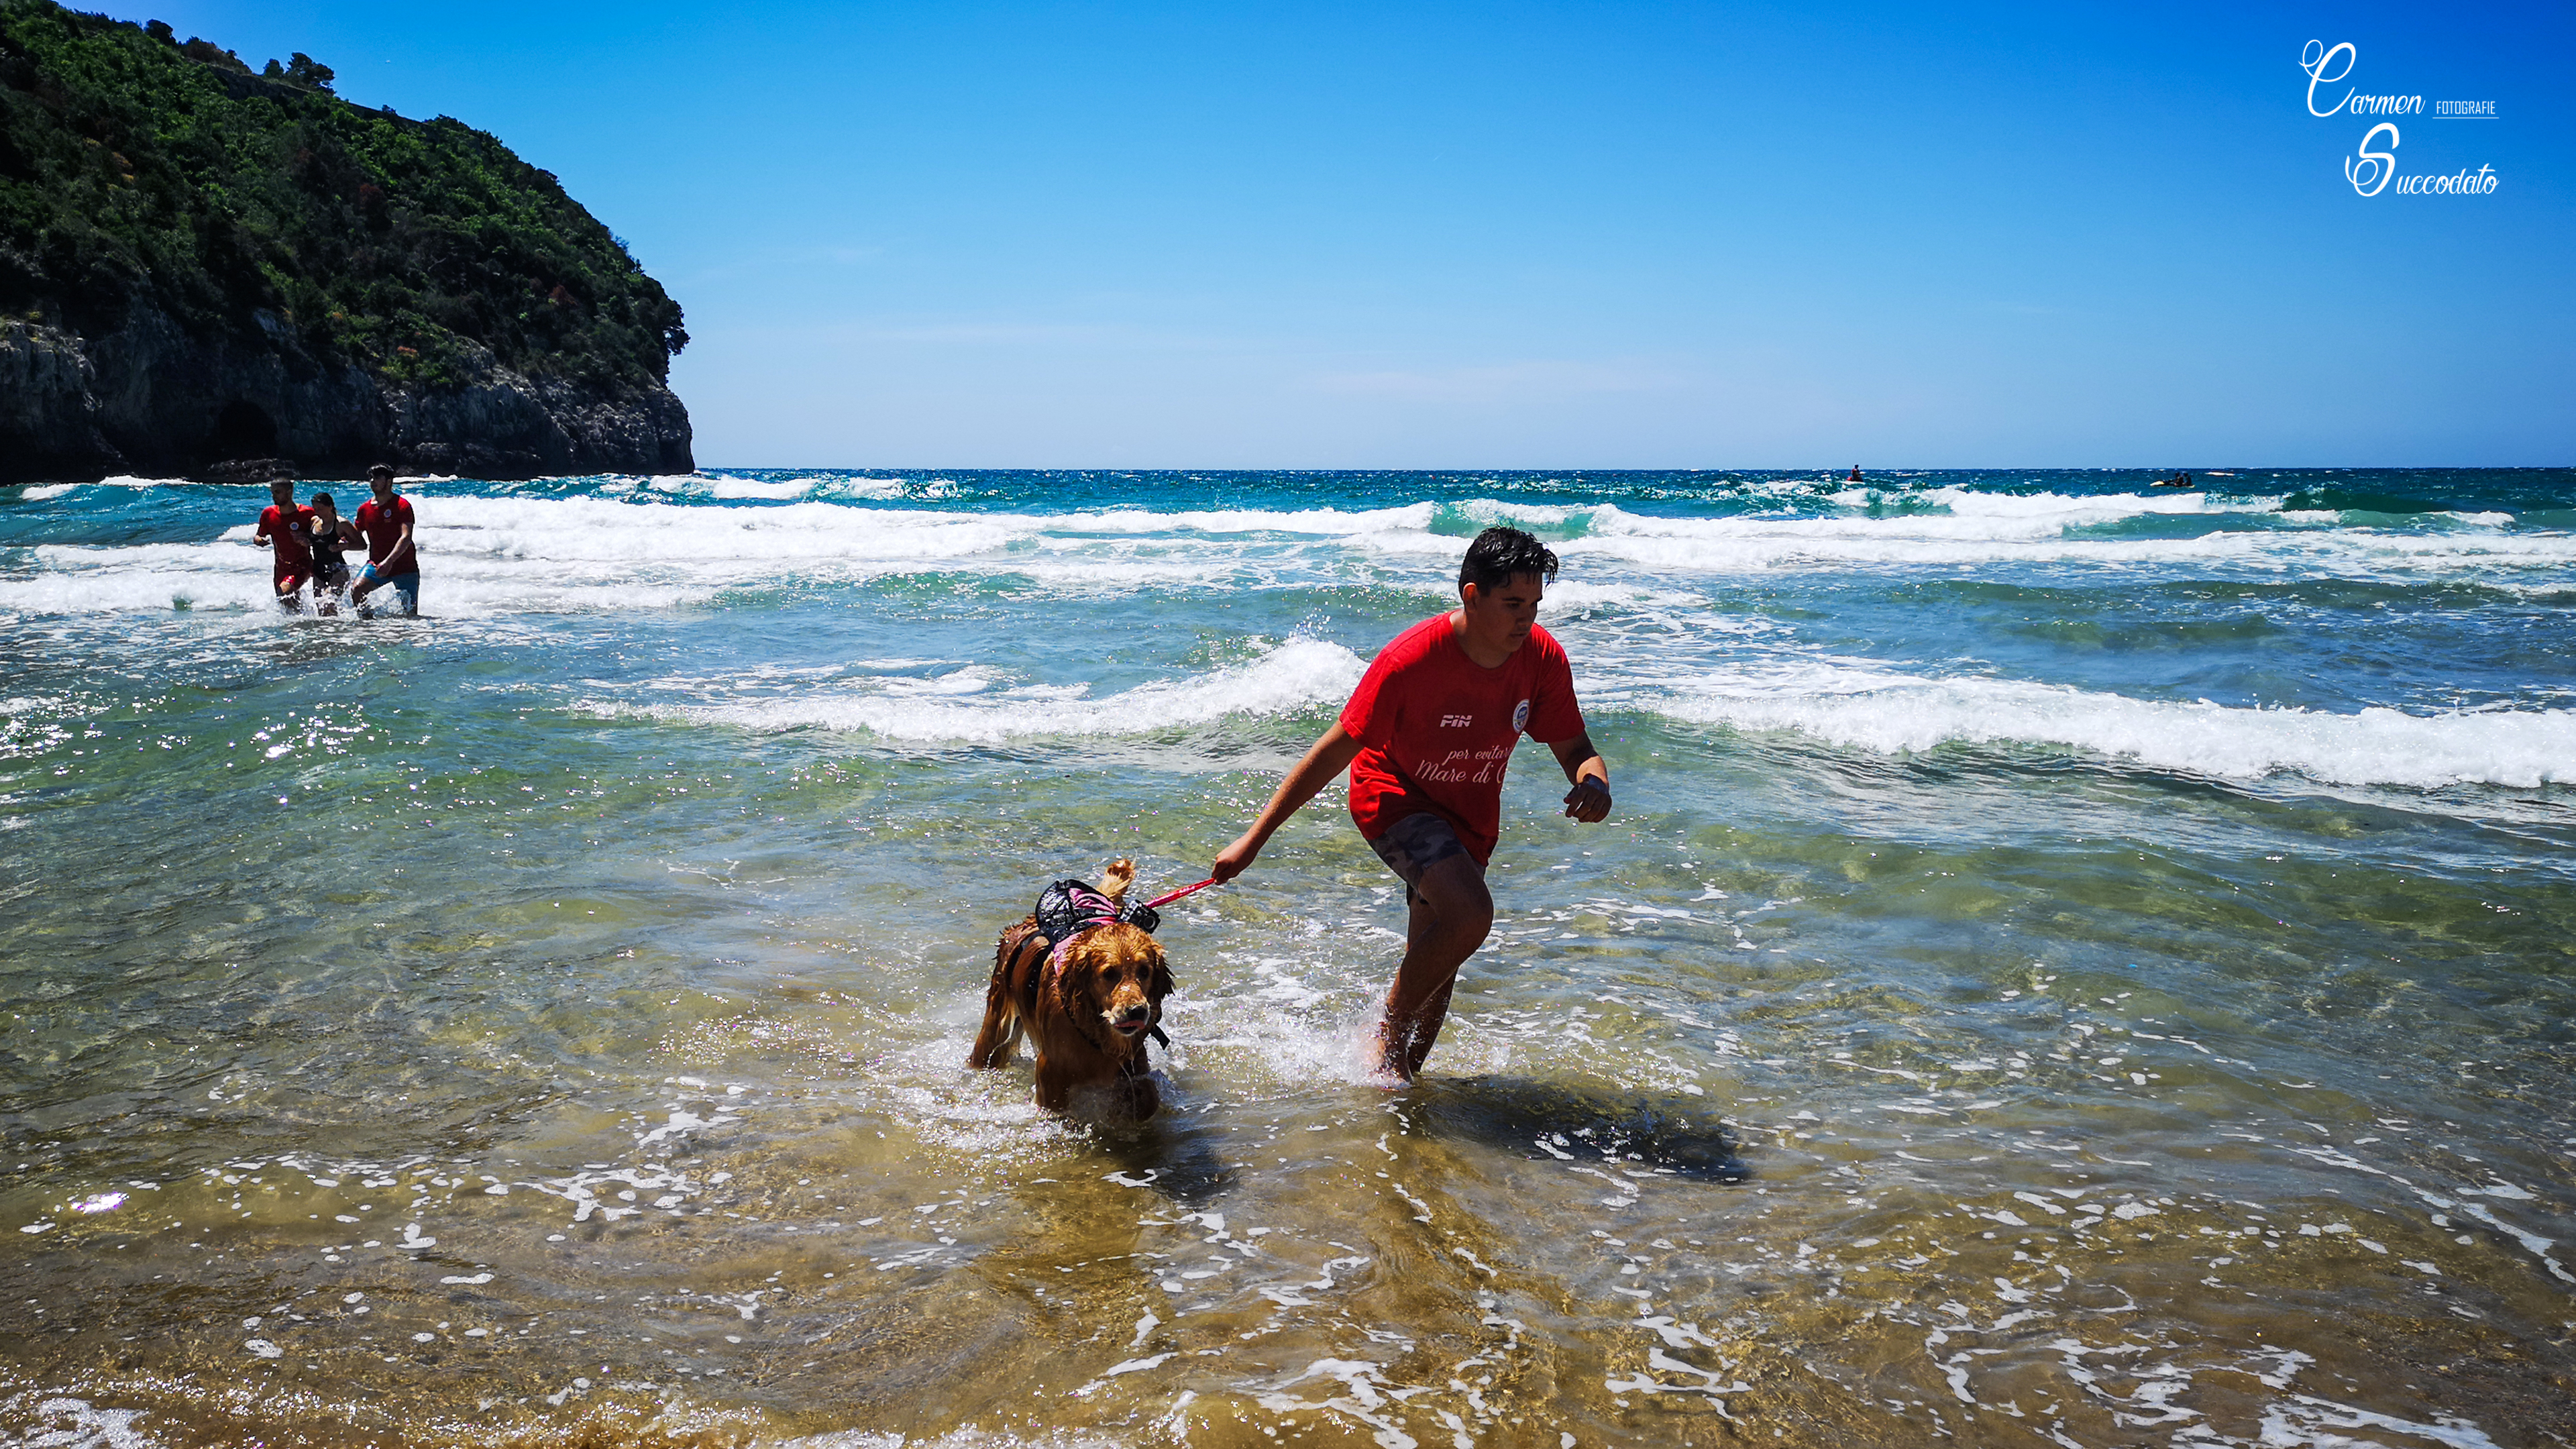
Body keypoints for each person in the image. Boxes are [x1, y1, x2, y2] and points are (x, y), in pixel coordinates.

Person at [1211, 526, 1613, 1082]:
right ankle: (1382, 1027)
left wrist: (1595, 783)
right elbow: (1332, 752)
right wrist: (1253, 840)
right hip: (1394, 798)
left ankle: (1394, 1084)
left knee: (1439, 961)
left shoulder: (1541, 659)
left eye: (1536, 605)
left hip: (1469, 816)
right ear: (1471, 596)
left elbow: (1576, 748)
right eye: (1513, 604)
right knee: (1471, 915)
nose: (1527, 619)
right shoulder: (1411, 662)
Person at [348, 464, 419, 616]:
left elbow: (406, 537)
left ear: (389, 481)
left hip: (405, 566)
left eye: (378, 478)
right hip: (376, 564)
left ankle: (406, 637)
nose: (373, 481)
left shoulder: (402, 505)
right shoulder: (364, 509)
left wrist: (389, 562)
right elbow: (354, 534)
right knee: (357, 590)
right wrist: (341, 540)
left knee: (410, 614)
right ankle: (371, 628)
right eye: (371, 478)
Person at [251, 478, 315, 612]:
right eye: (272, 492)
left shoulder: (307, 513)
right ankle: (304, 627)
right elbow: (259, 535)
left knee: (285, 593)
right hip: (280, 567)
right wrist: (259, 540)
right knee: (286, 604)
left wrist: (308, 538)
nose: (274, 495)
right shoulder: (269, 513)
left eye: (277, 492)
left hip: (302, 565)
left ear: (289, 492)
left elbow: (322, 535)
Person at [306, 490, 359, 614]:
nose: (317, 512)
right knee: (322, 607)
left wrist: (344, 547)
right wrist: (305, 540)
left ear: (330, 506)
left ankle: (340, 630)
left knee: (329, 602)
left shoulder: (341, 523)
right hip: (319, 570)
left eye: (321, 508)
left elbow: (361, 545)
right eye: (315, 509)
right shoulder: (314, 521)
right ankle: (328, 632)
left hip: (338, 569)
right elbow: (312, 540)